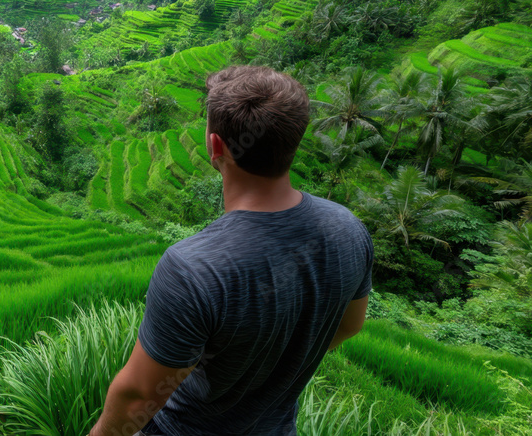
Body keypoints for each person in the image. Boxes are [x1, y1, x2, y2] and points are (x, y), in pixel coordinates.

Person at [87, 65, 374, 436]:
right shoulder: (348, 229)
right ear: (294, 141)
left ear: (214, 145)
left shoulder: (192, 268)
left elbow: (139, 397)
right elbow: (349, 326)